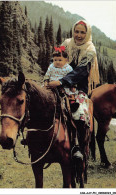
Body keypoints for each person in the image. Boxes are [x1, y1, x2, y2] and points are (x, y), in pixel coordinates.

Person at [47, 20, 100, 160]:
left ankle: (78, 145)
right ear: (73, 31)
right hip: (58, 82)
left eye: (83, 32)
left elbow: (81, 71)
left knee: (80, 113)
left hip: (78, 87)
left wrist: (60, 81)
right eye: (77, 31)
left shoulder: (90, 50)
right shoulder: (66, 44)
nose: (79, 35)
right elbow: (56, 60)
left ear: (87, 33)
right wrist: (50, 76)